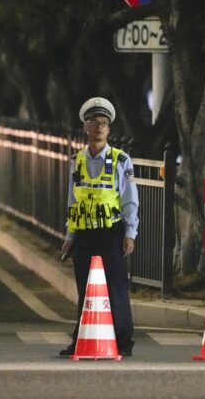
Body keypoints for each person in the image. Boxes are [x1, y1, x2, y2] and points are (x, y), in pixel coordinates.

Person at [59, 97, 139, 357]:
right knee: (85, 289)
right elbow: (73, 199)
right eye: (95, 123)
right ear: (86, 127)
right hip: (84, 234)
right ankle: (81, 339)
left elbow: (129, 200)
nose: (100, 127)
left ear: (109, 129)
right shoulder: (77, 160)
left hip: (110, 232)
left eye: (104, 123)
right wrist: (70, 236)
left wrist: (130, 233)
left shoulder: (121, 160)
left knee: (116, 286)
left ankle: (123, 340)